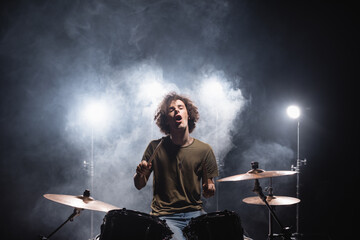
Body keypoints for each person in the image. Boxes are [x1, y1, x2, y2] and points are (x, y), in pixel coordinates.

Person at [134, 92, 219, 240]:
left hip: (195, 215)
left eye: (180, 107)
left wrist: (209, 188)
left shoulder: (205, 150)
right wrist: (140, 173)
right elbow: (139, 184)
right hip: (165, 217)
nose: (177, 111)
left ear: (188, 114)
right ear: (167, 120)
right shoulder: (155, 147)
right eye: (171, 110)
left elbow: (208, 190)